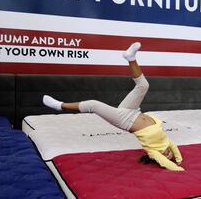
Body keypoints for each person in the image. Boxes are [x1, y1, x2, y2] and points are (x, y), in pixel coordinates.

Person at [42, 42, 184, 171]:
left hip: (125, 120)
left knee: (93, 105)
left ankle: (60, 106)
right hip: (133, 111)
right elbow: (175, 149)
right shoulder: (167, 142)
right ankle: (130, 57)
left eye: (167, 157)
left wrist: (177, 168)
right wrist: (178, 160)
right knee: (143, 85)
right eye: (169, 154)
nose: (168, 154)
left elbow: (167, 164)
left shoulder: (153, 152)